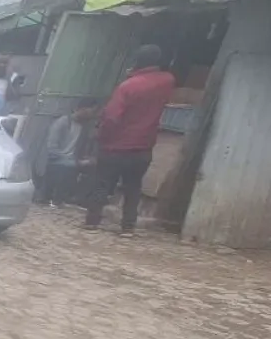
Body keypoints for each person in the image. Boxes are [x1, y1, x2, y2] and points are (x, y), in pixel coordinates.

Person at [85, 45, 177, 234]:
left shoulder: (128, 86)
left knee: (101, 184)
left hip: (115, 147)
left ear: (137, 61)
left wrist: (101, 137)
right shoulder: (167, 81)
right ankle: (128, 227)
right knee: (133, 187)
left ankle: (92, 222)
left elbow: (111, 117)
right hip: (143, 147)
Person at [37, 106, 93, 206]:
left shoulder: (85, 127)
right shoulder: (63, 122)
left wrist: (83, 159)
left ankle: (69, 197)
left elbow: (82, 149)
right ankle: (51, 197)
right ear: (77, 109)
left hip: (72, 160)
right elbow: (52, 147)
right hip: (57, 158)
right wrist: (70, 160)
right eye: (87, 110)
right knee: (65, 167)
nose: (90, 113)